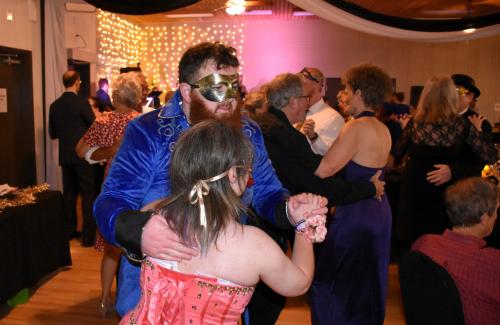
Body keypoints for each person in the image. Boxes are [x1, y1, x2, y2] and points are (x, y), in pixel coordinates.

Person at [93, 42, 327, 319]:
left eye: (234, 86)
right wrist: (140, 231)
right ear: (186, 91)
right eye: (217, 87)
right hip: (153, 291)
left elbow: (267, 192)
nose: (229, 100)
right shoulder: (149, 132)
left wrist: (290, 210)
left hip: (221, 288)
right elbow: (110, 201)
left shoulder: (248, 132)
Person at [119, 120, 326, 324]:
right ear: (233, 175)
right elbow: (298, 284)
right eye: (248, 172)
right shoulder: (254, 245)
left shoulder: (153, 213)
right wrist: (303, 227)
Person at [311, 63, 393, 325]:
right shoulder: (382, 128)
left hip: (357, 214)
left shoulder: (355, 127)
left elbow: (324, 170)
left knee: (331, 280)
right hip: (379, 212)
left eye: (346, 89)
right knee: (367, 284)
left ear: (359, 92)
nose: (343, 94)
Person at [391, 75, 497, 250]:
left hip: (415, 187)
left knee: (415, 241)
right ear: (450, 96)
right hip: (444, 193)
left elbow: (396, 153)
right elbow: (490, 156)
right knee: (441, 243)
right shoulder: (461, 125)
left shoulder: (415, 123)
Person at [76, 72, 142, 316]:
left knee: (112, 248)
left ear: (114, 96)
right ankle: (133, 302)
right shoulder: (142, 123)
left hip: (113, 188)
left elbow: (80, 151)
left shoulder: (104, 122)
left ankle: (104, 300)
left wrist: (109, 152)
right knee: (136, 249)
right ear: (136, 97)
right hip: (138, 189)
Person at [412, 177, 500, 325]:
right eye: (497, 210)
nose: (497, 216)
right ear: (485, 218)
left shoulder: (423, 244)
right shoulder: (492, 262)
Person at [49, 70, 96, 247]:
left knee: (69, 194)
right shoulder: (82, 103)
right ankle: (87, 236)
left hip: (65, 156)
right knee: (87, 194)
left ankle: (69, 231)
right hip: (82, 155)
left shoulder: (54, 105)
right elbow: (93, 127)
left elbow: (52, 134)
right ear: (76, 82)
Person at [299, 67, 345, 155]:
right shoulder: (296, 113)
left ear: (318, 84)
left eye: (303, 82)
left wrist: (313, 137)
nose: (299, 87)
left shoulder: (333, 117)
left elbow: (333, 153)